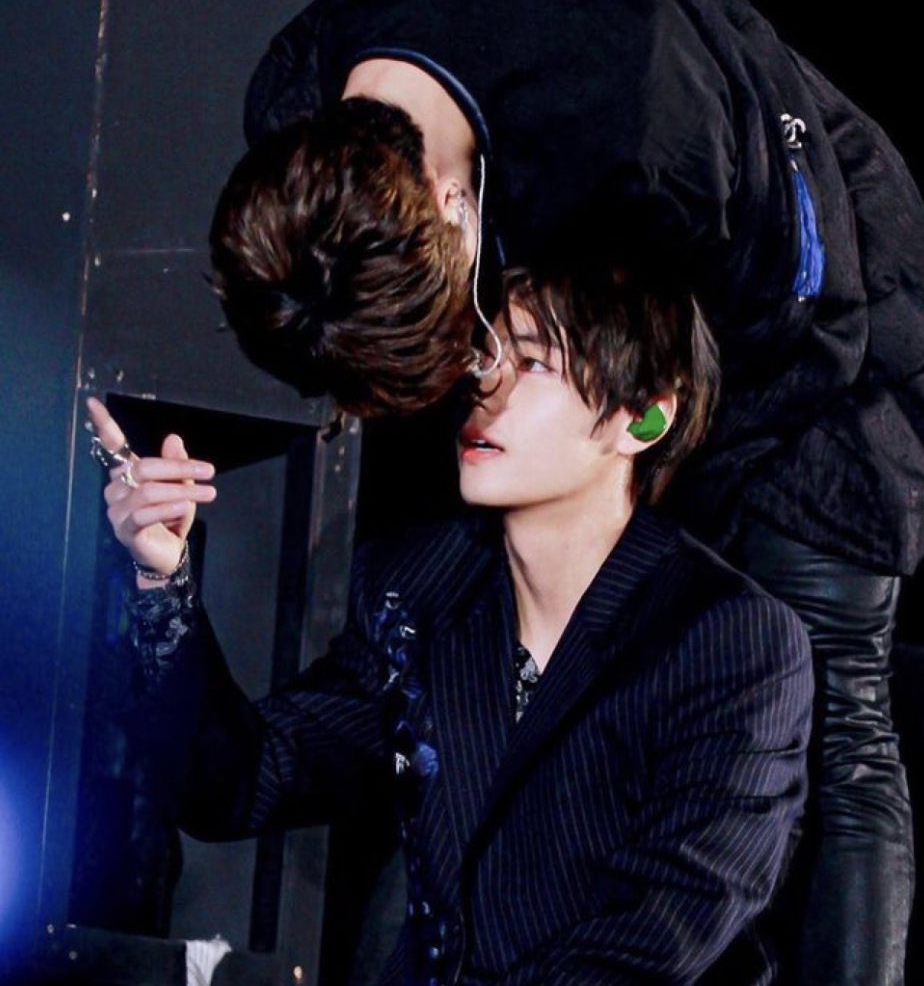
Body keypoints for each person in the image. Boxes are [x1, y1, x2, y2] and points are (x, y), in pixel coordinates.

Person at [202, 0, 924, 983]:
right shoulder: (300, 112)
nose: (469, 378)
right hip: (604, 370)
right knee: (480, 693)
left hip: (820, 333)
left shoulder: (639, 109)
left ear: (455, 206)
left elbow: (800, 313)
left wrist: (650, 510)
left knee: (828, 696)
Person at [87, 266, 812, 985]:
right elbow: (238, 781)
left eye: (532, 362)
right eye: (485, 354)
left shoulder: (729, 640)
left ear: (643, 417)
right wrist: (162, 576)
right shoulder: (419, 587)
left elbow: (657, 936)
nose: (486, 384)